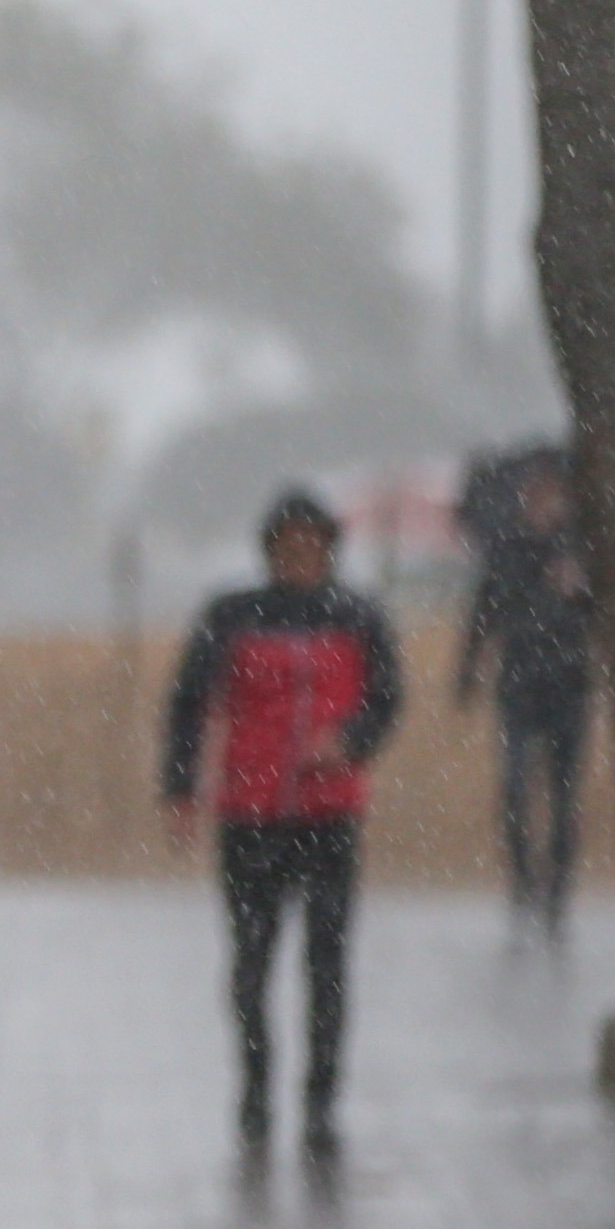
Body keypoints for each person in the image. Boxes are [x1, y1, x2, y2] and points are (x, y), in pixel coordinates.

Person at [160, 487, 404, 1159]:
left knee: (326, 965)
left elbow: (386, 699)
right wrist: (179, 788)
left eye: (311, 545)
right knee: (250, 965)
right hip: (250, 815)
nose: (299, 557)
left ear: (329, 549)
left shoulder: (357, 616)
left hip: (329, 816)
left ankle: (320, 1101)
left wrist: (348, 741)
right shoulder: (232, 616)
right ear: (268, 551)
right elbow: (187, 702)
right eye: (286, 546)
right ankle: (254, 1091)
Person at [454, 456, 589, 929]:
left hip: (571, 687)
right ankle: (522, 879)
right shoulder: (506, 550)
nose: (544, 503)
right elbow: (482, 613)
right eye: (536, 494)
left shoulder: (580, 551)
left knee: (564, 794)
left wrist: (580, 590)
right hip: (518, 685)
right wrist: (468, 673)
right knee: (514, 788)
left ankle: (558, 887)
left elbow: (602, 615)